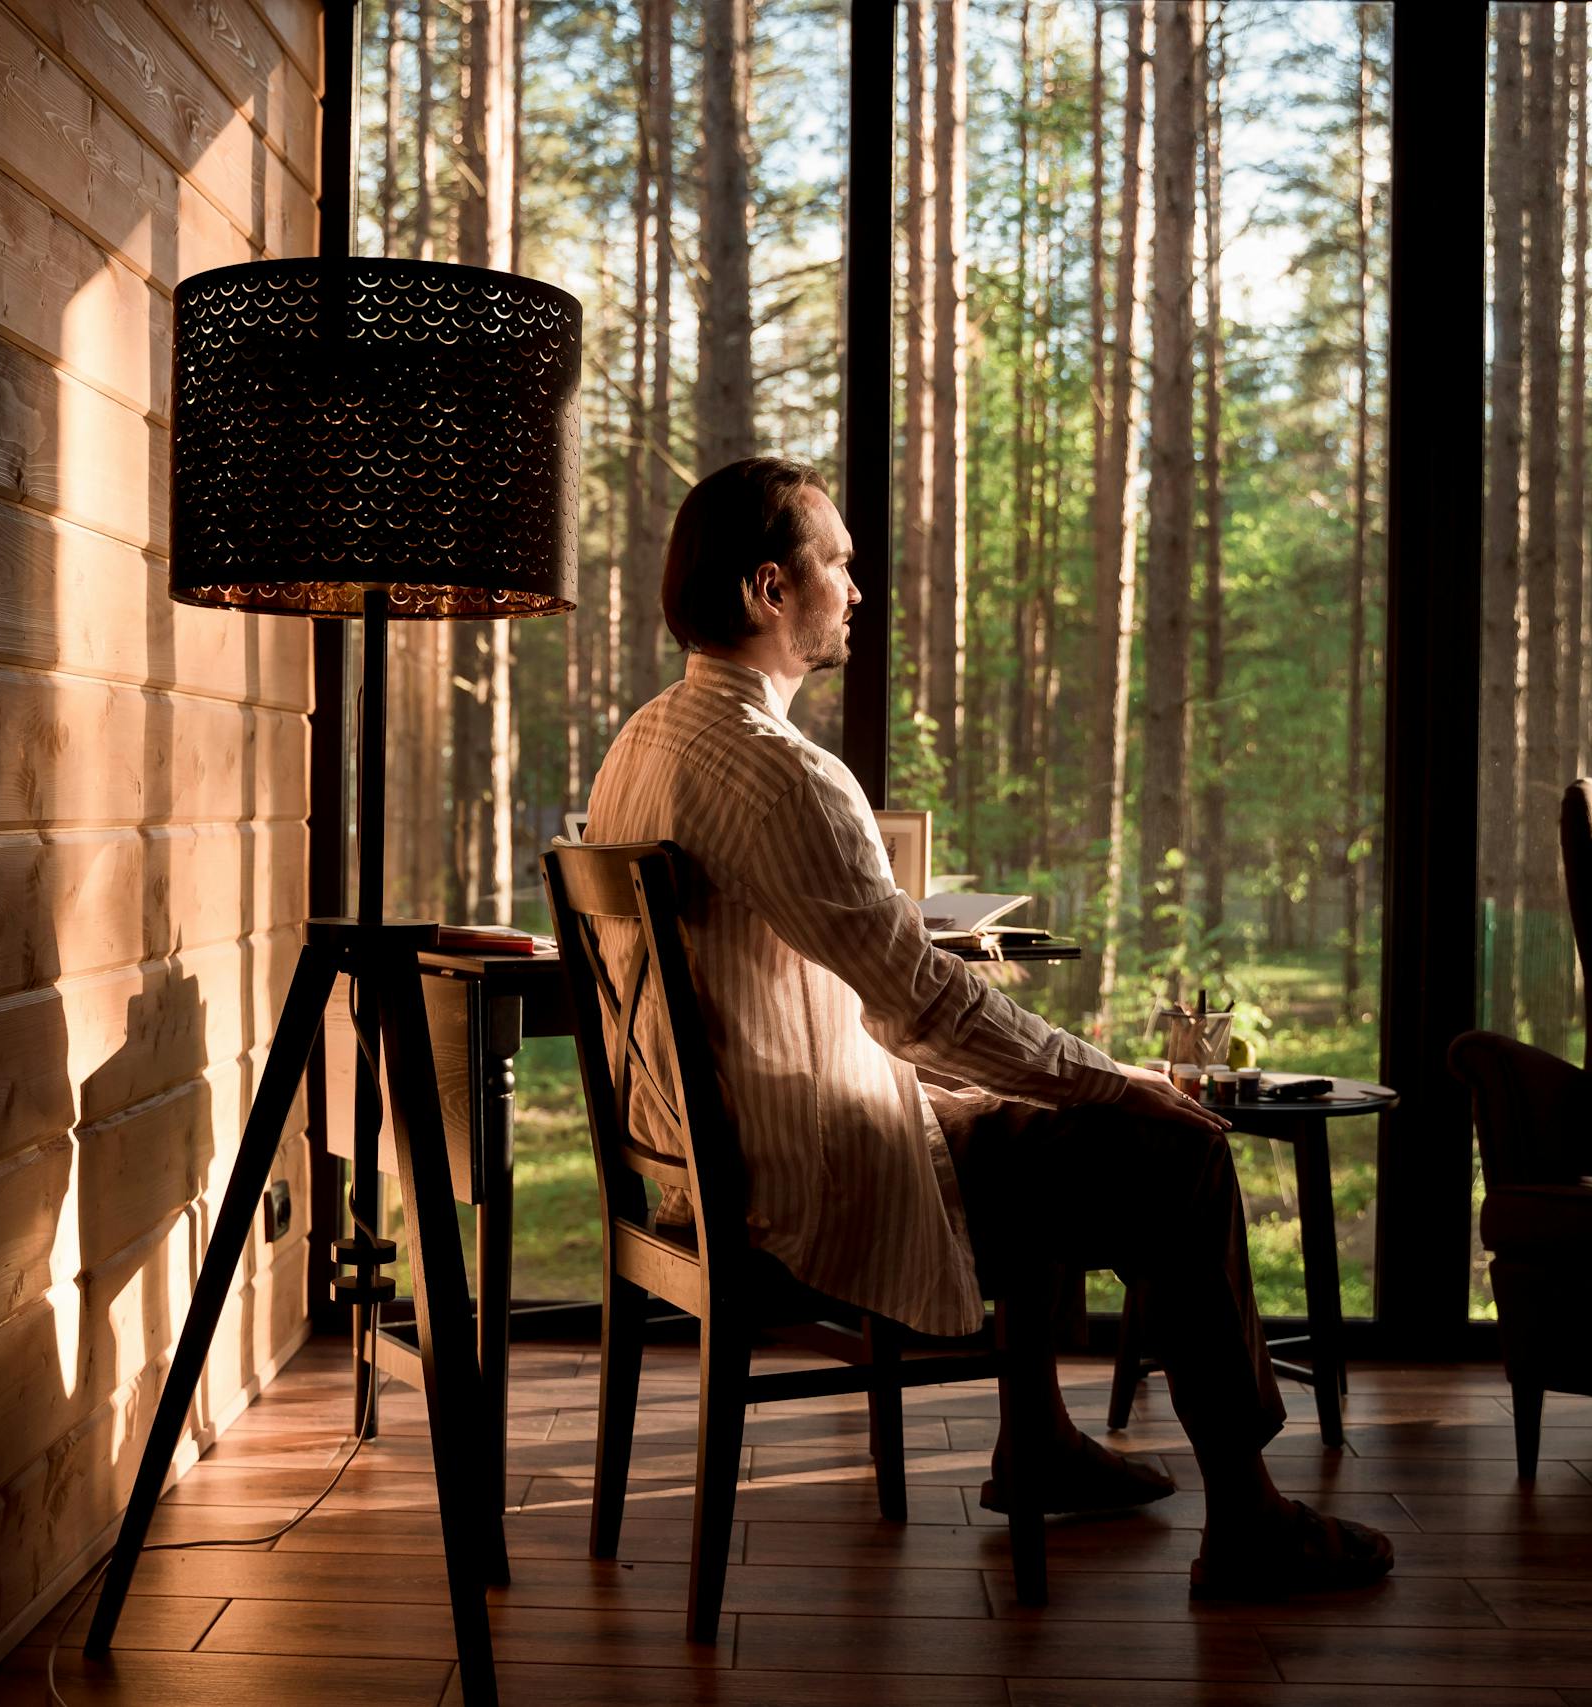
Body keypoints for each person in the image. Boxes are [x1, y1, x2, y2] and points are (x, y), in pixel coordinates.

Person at [583, 456, 1393, 1598]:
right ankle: (1250, 1519)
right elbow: (919, 1005)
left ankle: (1041, 1440)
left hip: (702, 1158)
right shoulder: (785, 775)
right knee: (1180, 1150)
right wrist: (1113, 1078)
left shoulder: (643, 743)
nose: (857, 590)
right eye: (840, 564)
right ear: (770, 588)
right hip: (801, 1178)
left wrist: (1057, 1076)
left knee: (1027, 1110)